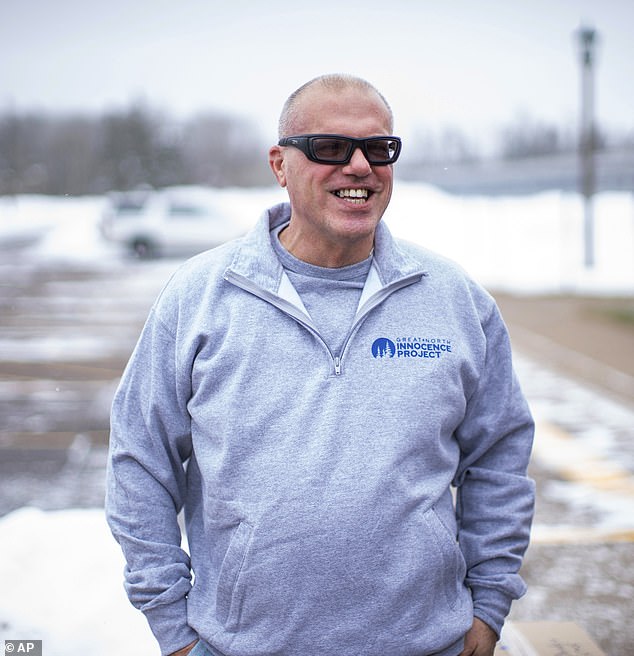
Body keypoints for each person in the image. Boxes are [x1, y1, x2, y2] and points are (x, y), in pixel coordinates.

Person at [106, 74, 535, 656]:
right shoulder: (200, 297)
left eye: (379, 148)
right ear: (280, 165)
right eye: (330, 148)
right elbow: (140, 457)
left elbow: (499, 458)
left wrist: (487, 607)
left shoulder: (453, 298)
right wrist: (172, 625)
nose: (359, 165)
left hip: (426, 644)